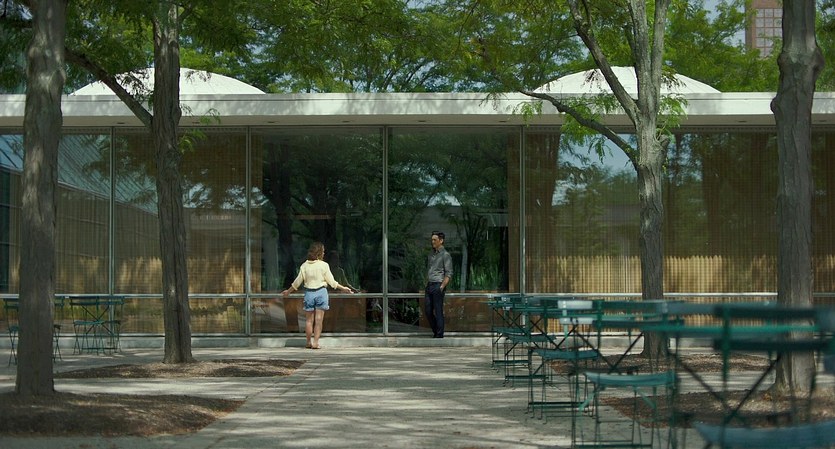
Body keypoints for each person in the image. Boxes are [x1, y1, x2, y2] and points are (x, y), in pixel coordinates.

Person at [282, 242, 352, 349]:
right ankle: (315, 342)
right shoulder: (324, 265)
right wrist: (344, 288)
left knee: (309, 320)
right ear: (319, 253)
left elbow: (297, 282)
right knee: (319, 320)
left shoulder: (304, 266)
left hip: (309, 293)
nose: (324, 253)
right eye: (323, 251)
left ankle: (308, 342)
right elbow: (332, 282)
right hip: (321, 292)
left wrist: (288, 291)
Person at [425, 231, 453, 338]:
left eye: (435, 240)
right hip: (429, 285)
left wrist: (442, 287)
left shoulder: (445, 255)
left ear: (441, 241)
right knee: (428, 311)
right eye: (432, 240)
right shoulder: (431, 254)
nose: (432, 242)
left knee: (438, 310)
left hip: (438, 285)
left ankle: (439, 335)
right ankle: (436, 331)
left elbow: (448, 273)